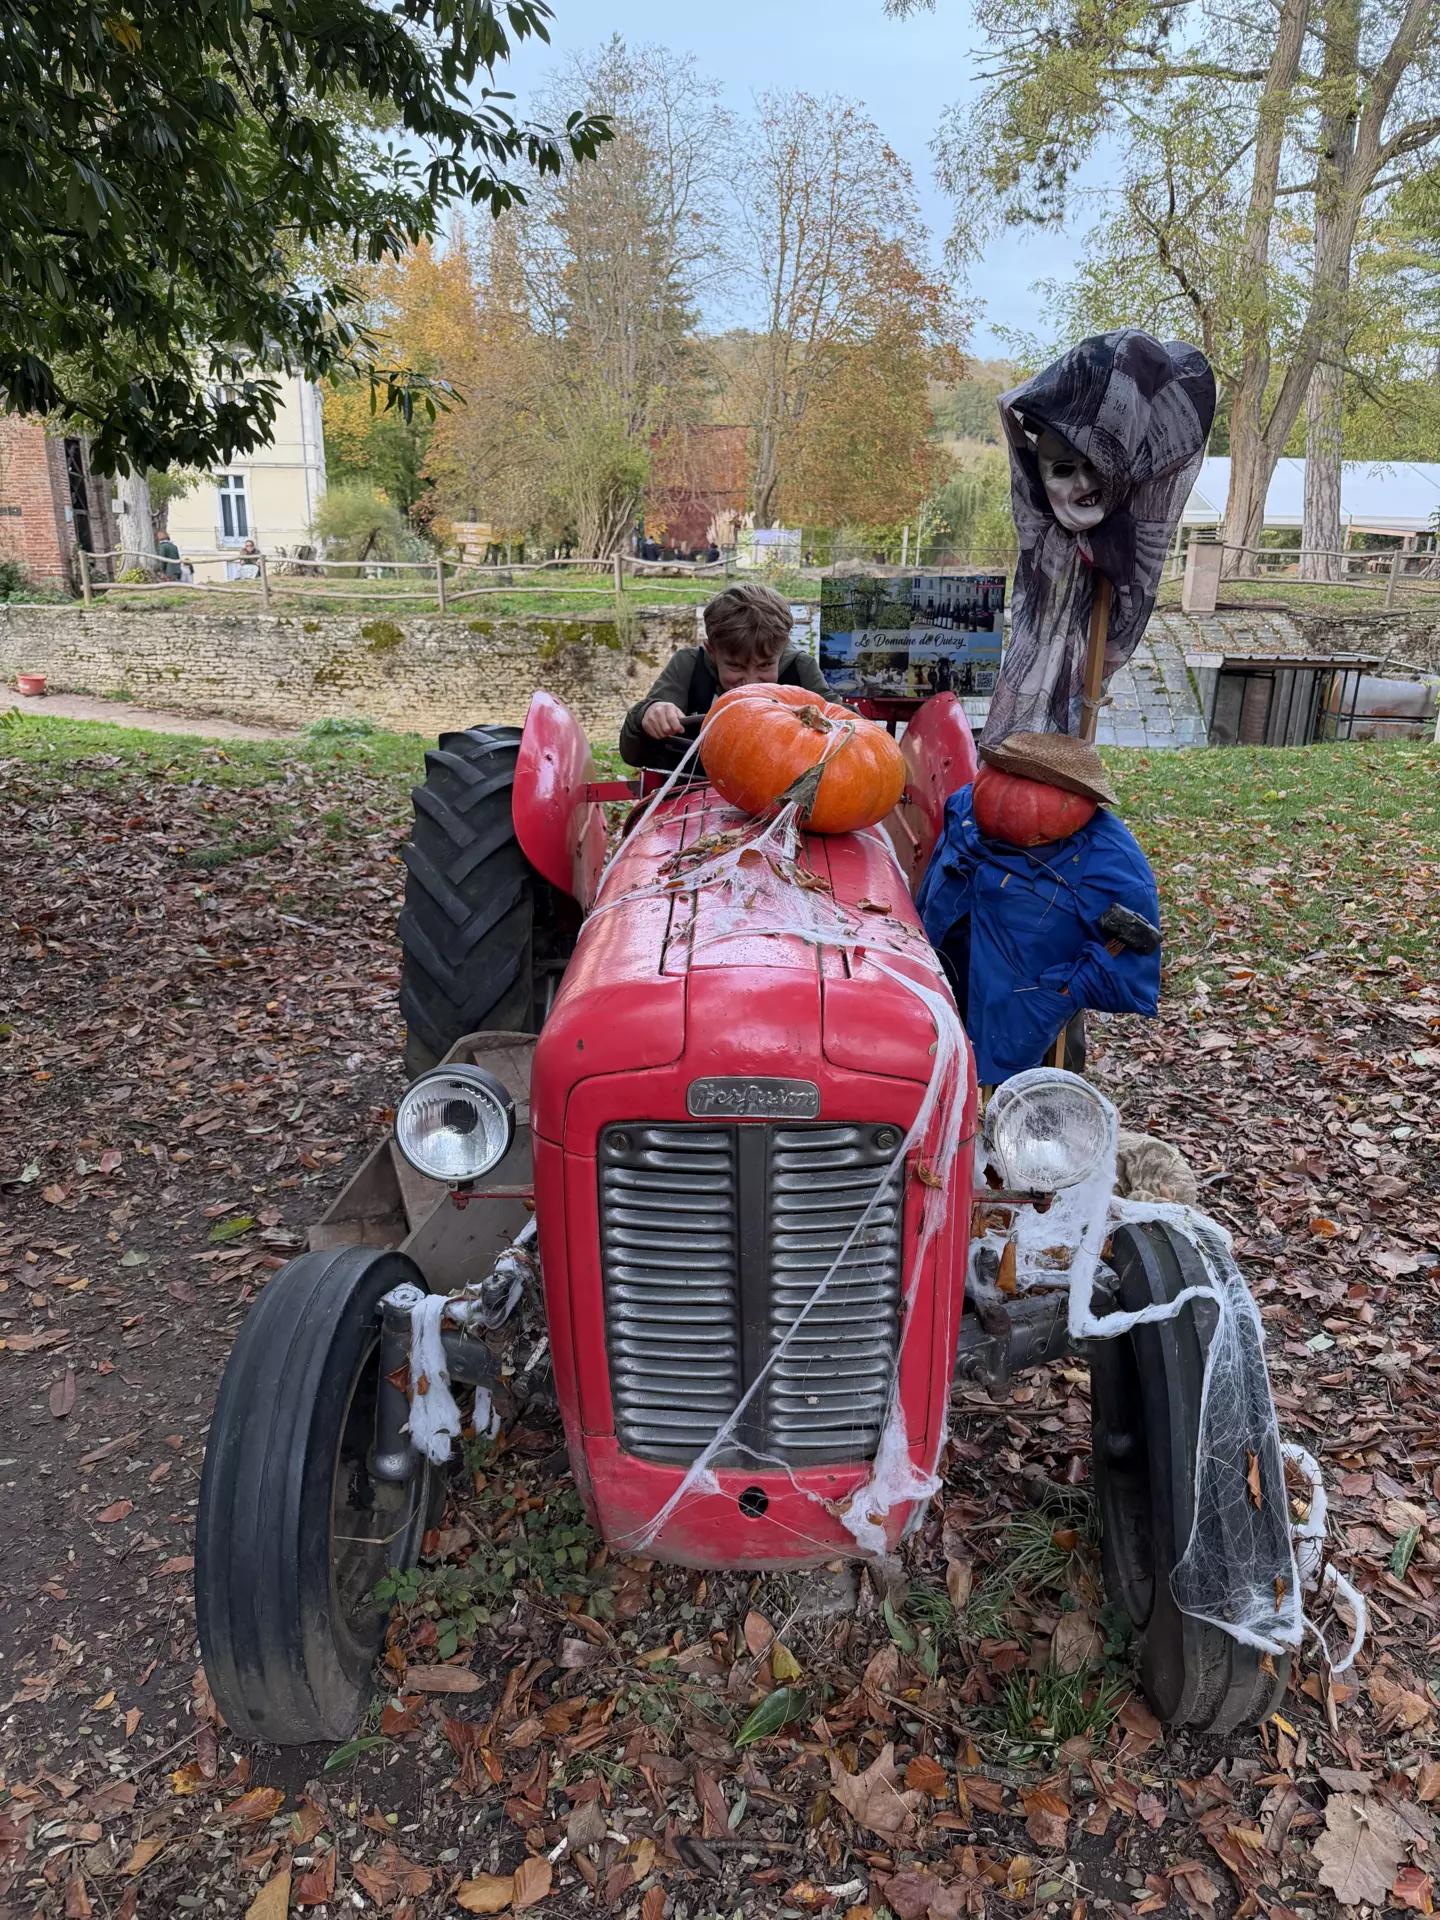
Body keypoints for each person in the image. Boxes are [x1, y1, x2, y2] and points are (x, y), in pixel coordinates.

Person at [916, 731, 1160, 1085]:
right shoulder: (964, 808)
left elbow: (1131, 971)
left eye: (1031, 788)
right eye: (1003, 777)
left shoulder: (1114, 867)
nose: (1008, 796)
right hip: (940, 975)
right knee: (929, 1069)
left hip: (1021, 1007)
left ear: (1079, 798)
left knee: (1008, 1101)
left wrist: (1062, 993)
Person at [619, 579, 829, 772]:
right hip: (692, 795)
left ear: (781, 650)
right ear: (712, 652)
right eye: (736, 666)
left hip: (784, 802)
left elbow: (845, 726)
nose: (750, 683)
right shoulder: (689, 667)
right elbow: (634, 754)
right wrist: (647, 714)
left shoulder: (800, 669)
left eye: (765, 665)